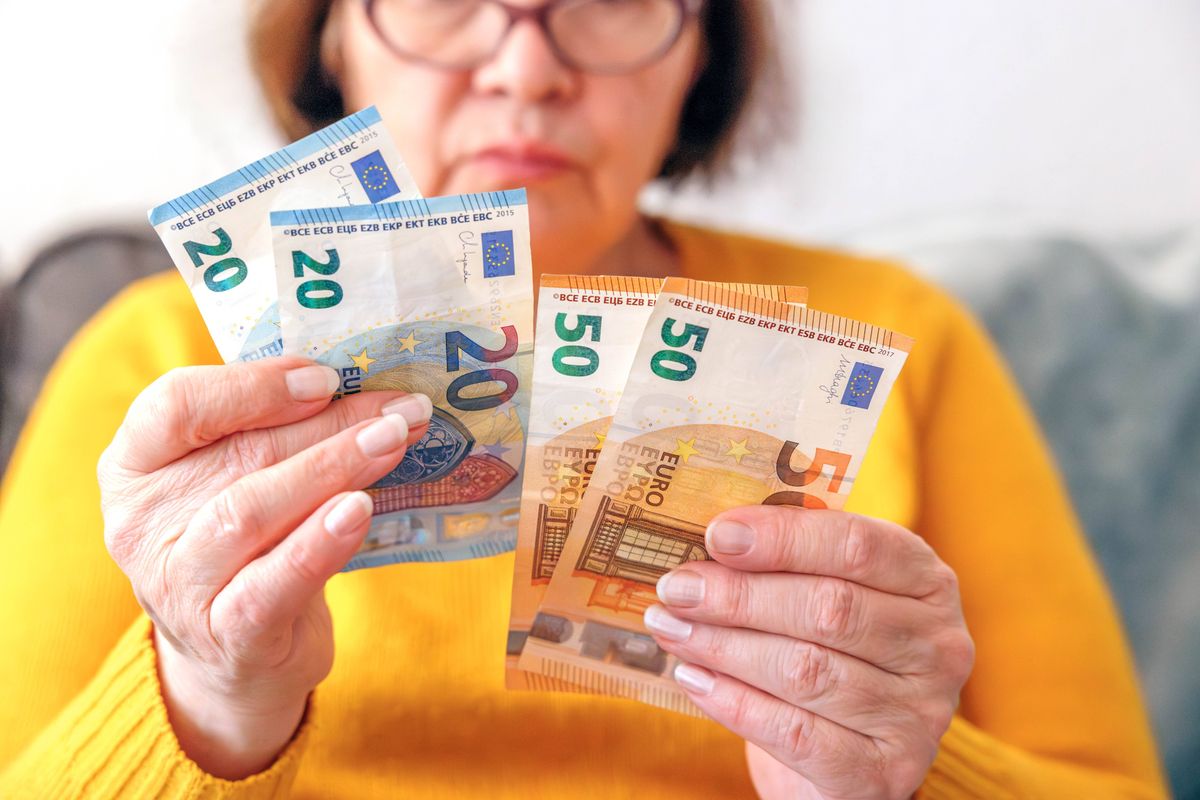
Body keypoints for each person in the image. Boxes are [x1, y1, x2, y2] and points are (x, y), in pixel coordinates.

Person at [0, 0, 1167, 797]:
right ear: (335, 37)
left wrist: (899, 773)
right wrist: (208, 698)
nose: (525, 69)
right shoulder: (155, 361)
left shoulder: (904, 336)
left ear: (701, 50)